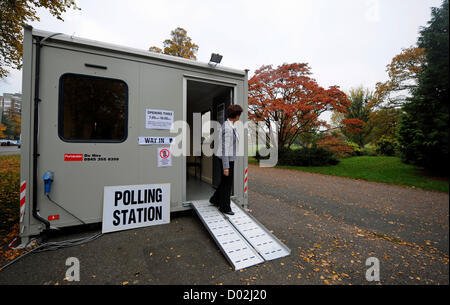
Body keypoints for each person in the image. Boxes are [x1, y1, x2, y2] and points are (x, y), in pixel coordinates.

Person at [209, 104, 243, 215]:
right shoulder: (228, 128)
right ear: (236, 115)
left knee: (225, 182)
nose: (240, 116)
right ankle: (224, 207)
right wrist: (226, 166)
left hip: (228, 158)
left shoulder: (230, 125)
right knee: (227, 184)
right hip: (226, 159)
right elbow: (224, 149)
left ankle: (214, 199)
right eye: (240, 114)